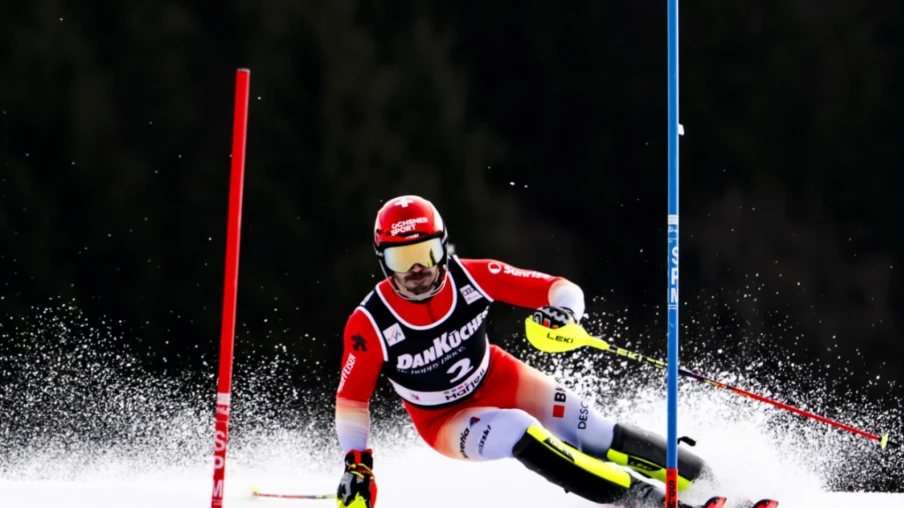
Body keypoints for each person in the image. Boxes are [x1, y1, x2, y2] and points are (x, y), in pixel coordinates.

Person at [334, 195, 723, 508]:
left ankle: (723, 491)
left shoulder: (473, 277)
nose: (418, 268)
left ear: (443, 247)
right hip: (445, 420)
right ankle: (648, 503)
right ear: (383, 262)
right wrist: (358, 464)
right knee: (521, 431)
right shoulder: (370, 323)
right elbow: (352, 400)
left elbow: (561, 289)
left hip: (499, 376)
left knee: (595, 433)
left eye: (428, 252)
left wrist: (564, 313)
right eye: (402, 258)